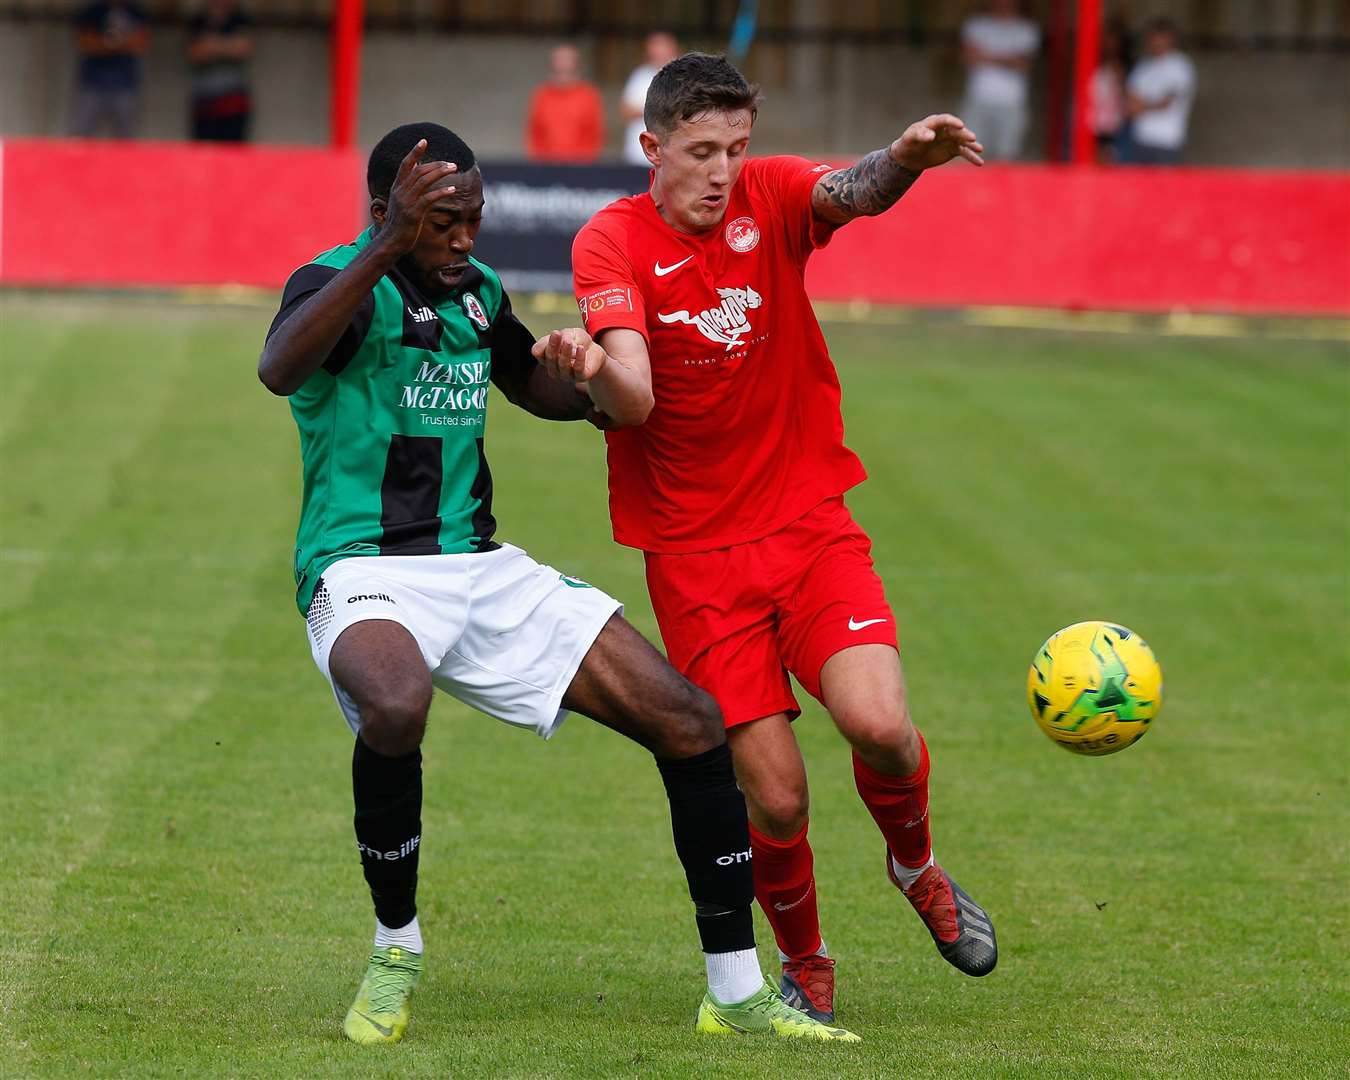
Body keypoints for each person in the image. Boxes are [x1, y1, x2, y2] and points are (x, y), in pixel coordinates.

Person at [257, 122, 858, 1047]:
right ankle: (395, 946)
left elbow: (525, 385)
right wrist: (385, 249)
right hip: (361, 566)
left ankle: (734, 992)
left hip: (482, 569)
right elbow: (279, 366)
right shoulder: (336, 284)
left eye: (475, 219)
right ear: (387, 213)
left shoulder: (478, 292)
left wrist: (579, 377)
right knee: (394, 701)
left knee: (691, 721)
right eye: (441, 221)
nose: (464, 239)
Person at [560, 54, 999, 1025]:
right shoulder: (610, 244)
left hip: (807, 523)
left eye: (737, 148)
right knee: (779, 798)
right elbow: (630, 392)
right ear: (652, 148)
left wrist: (907, 158)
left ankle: (916, 867)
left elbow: (851, 190)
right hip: (695, 560)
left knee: (881, 724)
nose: (723, 171)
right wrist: (595, 373)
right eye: (702, 151)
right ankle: (806, 961)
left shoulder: (771, 195)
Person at [959, 0, 1039, 161]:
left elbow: (1023, 64)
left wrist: (987, 55)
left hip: (1012, 101)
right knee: (968, 152)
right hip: (978, 98)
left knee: (1006, 155)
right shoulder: (976, 25)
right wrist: (1009, 58)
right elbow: (971, 58)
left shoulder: (1026, 28)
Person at [1123, 17, 1196, 166]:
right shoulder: (1143, 67)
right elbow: (1130, 106)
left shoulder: (1180, 66)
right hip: (1140, 138)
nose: (1156, 42)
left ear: (1171, 39)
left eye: (1160, 37)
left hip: (1167, 141)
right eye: (1153, 37)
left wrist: (1142, 106)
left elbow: (1166, 103)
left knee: (1164, 187)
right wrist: (1150, 105)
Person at [71, 1, 149, 139]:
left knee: (125, 136)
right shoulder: (93, 11)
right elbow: (86, 44)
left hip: (125, 83)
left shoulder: (135, 11)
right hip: (92, 82)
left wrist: (110, 43)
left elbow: (141, 44)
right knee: (82, 134)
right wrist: (115, 43)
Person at [186, 0, 254, 142]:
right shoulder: (198, 20)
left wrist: (211, 45)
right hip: (204, 101)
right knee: (202, 152)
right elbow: (195, 54)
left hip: (233, 101)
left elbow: (242, 49)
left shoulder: (239, 19)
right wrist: (228, 45)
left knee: (234, 153)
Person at [525, 43, 605, 162]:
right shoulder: (542, 95)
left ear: (576, 65)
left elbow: (596, 132)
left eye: (567, 61)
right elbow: (534, 131)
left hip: (581, 165)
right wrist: (538, 161)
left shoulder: (589, 95)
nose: (563, 65)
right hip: (546, 165)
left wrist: (587, 161)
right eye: (559, 61)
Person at [620, 31, 679, 165]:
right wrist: (659, 108)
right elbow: (625, 111)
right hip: (637, 156)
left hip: (670, 157)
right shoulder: (639, 75)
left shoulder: (682, 77)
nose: (657, 52)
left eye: (662, 46)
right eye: (654, 47)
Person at [1088, 18, 1131, 163]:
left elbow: (1125, 94)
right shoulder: (1091, 62)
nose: (1110, 45)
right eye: (1107, 41)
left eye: (1114, 42)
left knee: (1108, 159)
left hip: (1112, 123)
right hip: (1091, 120)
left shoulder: (1121, 67)